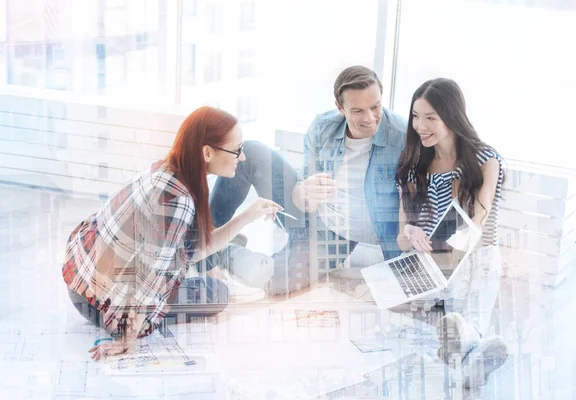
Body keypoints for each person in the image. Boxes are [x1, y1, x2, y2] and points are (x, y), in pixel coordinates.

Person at [61, 106, 282, 360]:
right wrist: (128, 335)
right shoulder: (178, 201)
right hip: (96, 303)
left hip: (81, 280)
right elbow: (148, 279)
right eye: (237, 150)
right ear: (207, 152)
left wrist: (248, 215)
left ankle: (229, 255)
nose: (241, 158)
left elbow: (193, 250)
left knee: (190, 264)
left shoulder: (167, 169)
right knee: (216, 293)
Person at [208, 65, 407, 295]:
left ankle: (223, 249)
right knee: (248, 153)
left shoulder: (402, 136)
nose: (370, 118)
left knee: (273, 282)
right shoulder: (323, 128)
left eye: (375, 107)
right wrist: (302, 193)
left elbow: (415, 197)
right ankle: (203, 244)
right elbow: (303, 190)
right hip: (309, 209)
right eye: (358, 111)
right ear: (340, 108)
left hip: (337, 233)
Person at [395, 78, 508, 388]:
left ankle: (463, 347)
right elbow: (401, 238)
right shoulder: (413, 166)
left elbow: (477, 223)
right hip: (428, 262)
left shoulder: (486, 160)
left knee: (480, 266)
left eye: (431, 117)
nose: (420, 125)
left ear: (453, 116)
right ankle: (473, 352)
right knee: (458, 314)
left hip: (474, 254)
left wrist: (449, 258)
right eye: (416, 116)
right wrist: (410, 229)